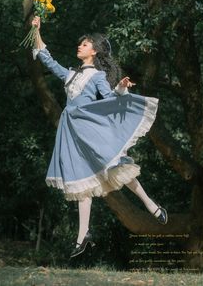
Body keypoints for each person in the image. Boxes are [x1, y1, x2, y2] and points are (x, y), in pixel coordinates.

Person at [31, 16, 168, 259]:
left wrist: (122, 87)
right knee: (82, 181)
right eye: (80, 44)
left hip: (90, 129)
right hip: (72, 133)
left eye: (84, 44)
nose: (79, 47)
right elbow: (47, 59)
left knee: (117, 168)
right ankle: (82, 237)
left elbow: (110, 101)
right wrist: (37, 30)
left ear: (93, 51)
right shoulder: (71, 74)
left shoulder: (97, 77)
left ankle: (151, 205)